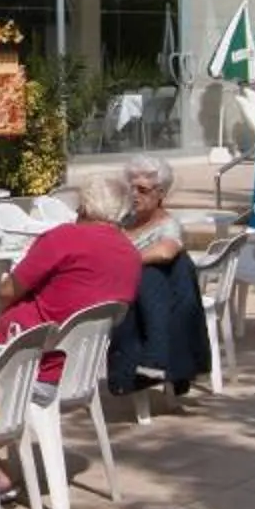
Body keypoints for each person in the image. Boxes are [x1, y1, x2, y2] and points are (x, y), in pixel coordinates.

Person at [0, 172, 144, 387]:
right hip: (79, 372)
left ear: (84, 207)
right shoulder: (131, 254)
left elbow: (6, 293)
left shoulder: (64, 238)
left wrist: (4, 314)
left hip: (24, 366)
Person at [109, 157, 205, 400]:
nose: (134, 195)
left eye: (142, 190)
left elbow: (166, 251)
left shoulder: (168, 225)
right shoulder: (123, 220)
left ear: (160, 193)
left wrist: (126, 262)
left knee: (159, 272)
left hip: (140, 297)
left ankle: (156, 357)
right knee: (157, 277)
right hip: (123, 292)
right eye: (130, 188)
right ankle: (162, 357)